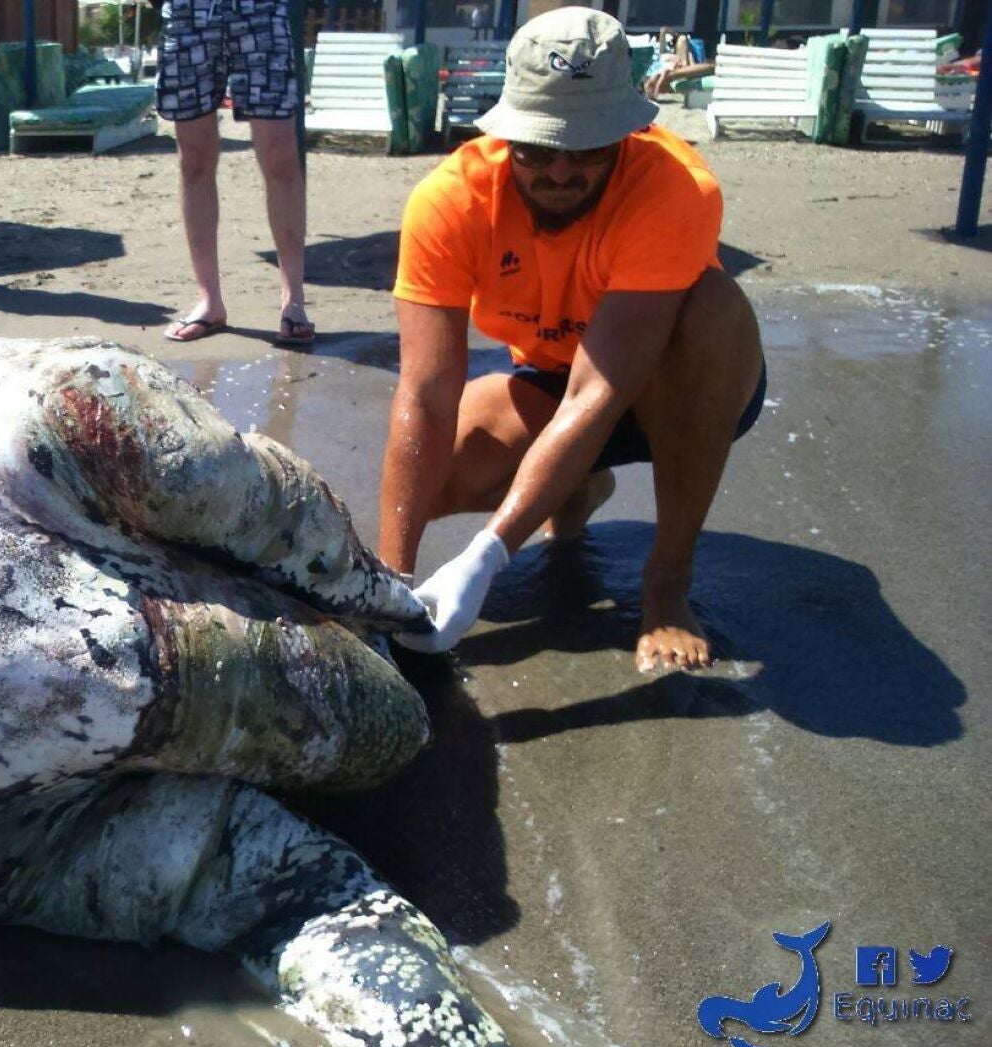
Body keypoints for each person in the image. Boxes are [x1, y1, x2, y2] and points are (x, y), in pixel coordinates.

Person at [380, 7, 766, 672]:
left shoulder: (675, 189)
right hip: (554, 374)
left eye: (587, 148)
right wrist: (386, 586)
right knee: (435, 476)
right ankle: (577, 487)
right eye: (535, 148)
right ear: (505, 133)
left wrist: (486, 556)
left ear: (624, 132)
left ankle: (667, 581)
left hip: (674, 380)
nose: (560, 172)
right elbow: (425, 393)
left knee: (710, 308)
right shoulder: (448, 202)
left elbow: (599, 391)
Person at [156, 0, 312, 348]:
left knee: (281, 155)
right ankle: (210, 301)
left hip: (260, 11)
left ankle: (294, 301)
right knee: (194, 159)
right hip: (189, 14)